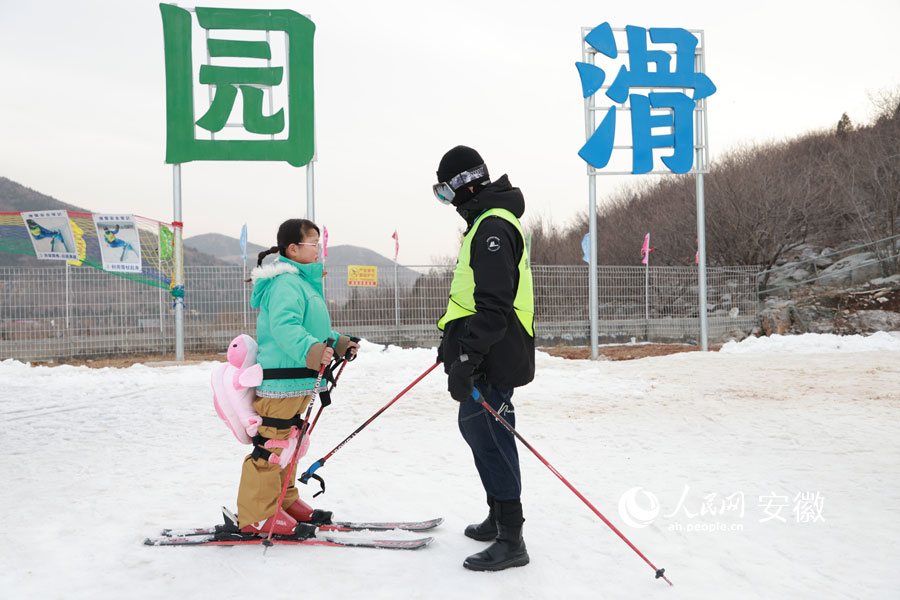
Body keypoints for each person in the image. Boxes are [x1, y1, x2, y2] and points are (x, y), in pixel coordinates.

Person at [433, 146, 535, 571]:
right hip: (485, 352)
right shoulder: (484, 223)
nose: (446, 200)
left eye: (444, 190)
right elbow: (469, 300)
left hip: (494, 354)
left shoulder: (492, 226)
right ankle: (498, 516)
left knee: (491, 438)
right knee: (479, 433)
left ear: (462, 184)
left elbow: (494, 305)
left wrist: (468, 357)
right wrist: (452, 345)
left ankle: (512, 538)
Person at [231, 218, 359, 537]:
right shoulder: (286, 283)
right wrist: (313, 351)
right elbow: (286, 327)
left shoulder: (302, 282)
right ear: (293, 248)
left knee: (292, 443)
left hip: (299, 379)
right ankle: (256, 515)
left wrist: (337, 342)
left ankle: (283, 501)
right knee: (272, 446)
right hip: (282, 380)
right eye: (312, 243)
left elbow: (313, 330)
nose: (318, 249)